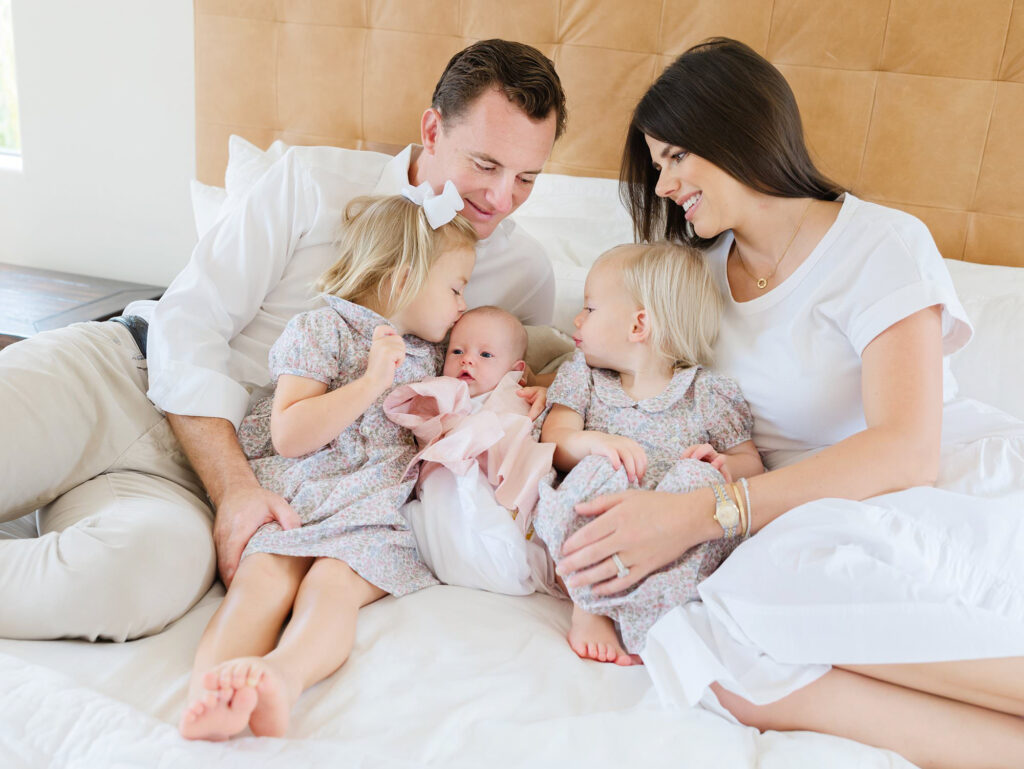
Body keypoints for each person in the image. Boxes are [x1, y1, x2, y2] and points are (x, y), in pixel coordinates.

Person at [0, 39, 566, 642]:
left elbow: (526, 394)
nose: (502, 198)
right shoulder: (311, 180)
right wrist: (234, 488)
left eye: (527, 177)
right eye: (485, 165)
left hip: (198, 490)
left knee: (121, 584)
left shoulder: (524, 274)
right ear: (432, 130)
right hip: (122, 379)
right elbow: (190, 319)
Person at [557, 38, 1024, 767]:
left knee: (766, 591)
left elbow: (908, 448)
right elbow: (624, 351)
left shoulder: (881, 245)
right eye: (657, 165)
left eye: (677, 155)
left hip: (926, 484)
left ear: (736, 129)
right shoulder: (696, 276)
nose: (666, 183)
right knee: (708, 650)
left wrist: (702, 512)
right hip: (796, 515)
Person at [179, 190, 476, 741]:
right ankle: (209, 693)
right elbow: (289, 435)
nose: (462, 305)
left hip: (371, 509)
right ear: (401, 279)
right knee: (265, 579)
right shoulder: (322, 330)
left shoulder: (435, 353)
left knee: (333, 587)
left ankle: (281, 680)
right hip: (301, 493)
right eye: (456, 287)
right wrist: (369, 384)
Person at [534, 242, 763, 666]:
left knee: (701, 483)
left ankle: (650, 611)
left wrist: (723, 465)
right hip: (600, 525)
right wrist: (596, 443)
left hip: (668, 535)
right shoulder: (582, 376)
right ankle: (591, 604)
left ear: (639, 325)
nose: (576, 320)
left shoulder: (707, 393)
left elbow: (751, 464)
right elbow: (557, 438)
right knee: (598, 469)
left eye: (590, 309)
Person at [386, 306, 557, 597]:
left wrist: (543, 390)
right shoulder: (443, 391)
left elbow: (573, 384)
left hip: (504, 486)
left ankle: (507, 558)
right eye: (456, 352)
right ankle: (470, 556)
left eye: (485, 355)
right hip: (455, 475)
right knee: (441, 489)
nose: (467, 359)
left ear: (516, 370)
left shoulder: (520, 394)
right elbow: (420, 421)